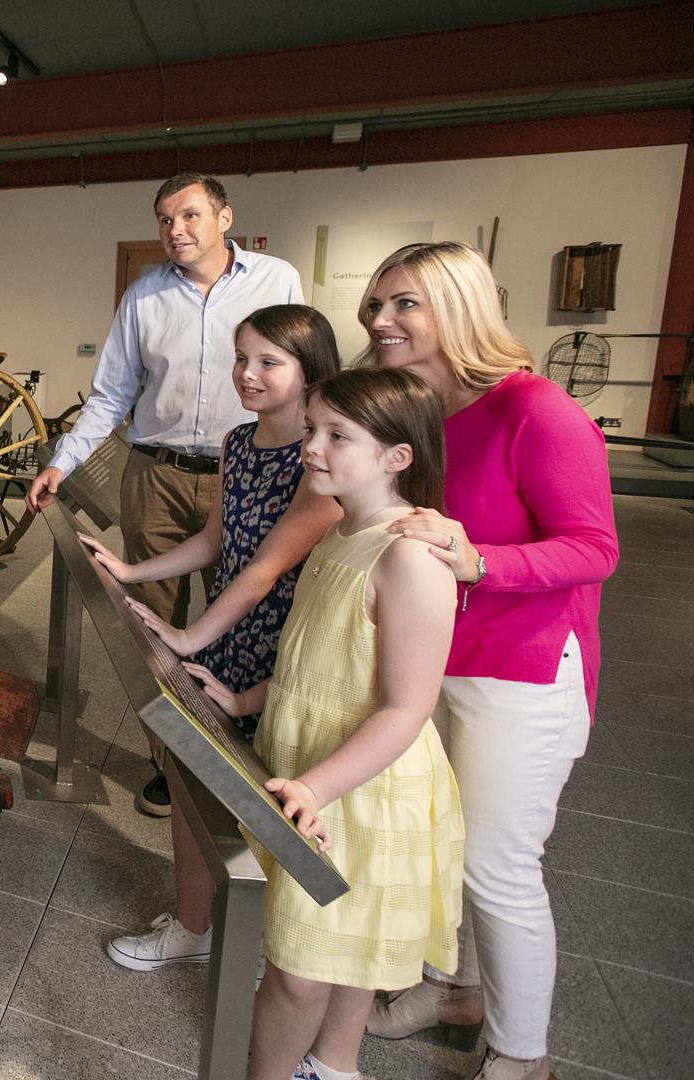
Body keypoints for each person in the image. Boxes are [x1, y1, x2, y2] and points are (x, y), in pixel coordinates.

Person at [359, 242, 619, 1080]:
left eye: (404, 304)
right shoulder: (429, 415)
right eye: (375, 304)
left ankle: (523, 1053)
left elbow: (593, 547)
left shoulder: (537, 409)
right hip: (444, 657)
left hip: (526, 666)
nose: (380, 320)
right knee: (447, 840)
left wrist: (481, 562)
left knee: (498, 864)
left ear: (458, 309)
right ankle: (458, 989)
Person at [187, 367, 465, 1080]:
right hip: (315, 760)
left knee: (302, 967)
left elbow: (406, 707)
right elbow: (321, 654)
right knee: (338, 947)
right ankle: (332, 1065)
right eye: (312, 429)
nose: (312, 447)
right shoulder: (343, 528)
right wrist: (246, 701)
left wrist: (316, 784)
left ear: (397, 457)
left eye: (337, 435)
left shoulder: (410, 558)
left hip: (358, 784)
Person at [26, 172, 303, 818]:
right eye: (164, 219)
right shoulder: (143, 297)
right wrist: (62, 464)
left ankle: (246, 751)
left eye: (189, 215)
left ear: (224, 218)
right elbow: (111, 397)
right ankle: (172, 765)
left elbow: (306, 372)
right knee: (153, 624)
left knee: (251, 616)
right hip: (158, 474)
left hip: (255, 473)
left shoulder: (277, 282)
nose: (174, 230)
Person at [79, 304, 344, 971]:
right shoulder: (237, 442)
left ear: (310, 372)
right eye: (240, 358)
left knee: (275, 800)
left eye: (268, 362)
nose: (246, 375)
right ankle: (194, 925)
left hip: (280, 650)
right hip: (229, 633)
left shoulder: (321, 462)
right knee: (195, 788)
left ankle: (278, 954)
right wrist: (133, 569)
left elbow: (264, 571)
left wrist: (188, 636)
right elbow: (214, 541)